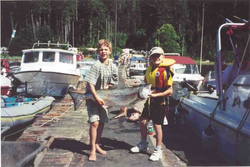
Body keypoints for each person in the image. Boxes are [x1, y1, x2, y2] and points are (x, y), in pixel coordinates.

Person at [130, 47, 174, 161]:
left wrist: (156, 95)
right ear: (150, 58)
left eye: (159, 55)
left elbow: (170, 91)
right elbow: (145, 84)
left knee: (157, 125)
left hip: (160, 101)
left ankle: (158, 150)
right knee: (142, 120)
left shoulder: (165, 71)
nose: (157, 57)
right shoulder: (149, 69)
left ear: (163, 56)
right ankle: (143, 144)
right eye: (154, 56)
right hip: (149, 100)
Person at [84, 39, 118, 161]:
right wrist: (97, 97)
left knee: (102, 122)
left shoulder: (113, 66)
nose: (103, 51)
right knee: (95, 122)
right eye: (101, 49)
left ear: (110, 51)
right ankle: (92, 149)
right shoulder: (96, 65)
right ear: (98, 51)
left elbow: (113, 82)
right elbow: (90, 83)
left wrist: (107, 88)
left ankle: (97, 144)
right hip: (93, 97)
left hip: (105, 98)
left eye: (106, 49)